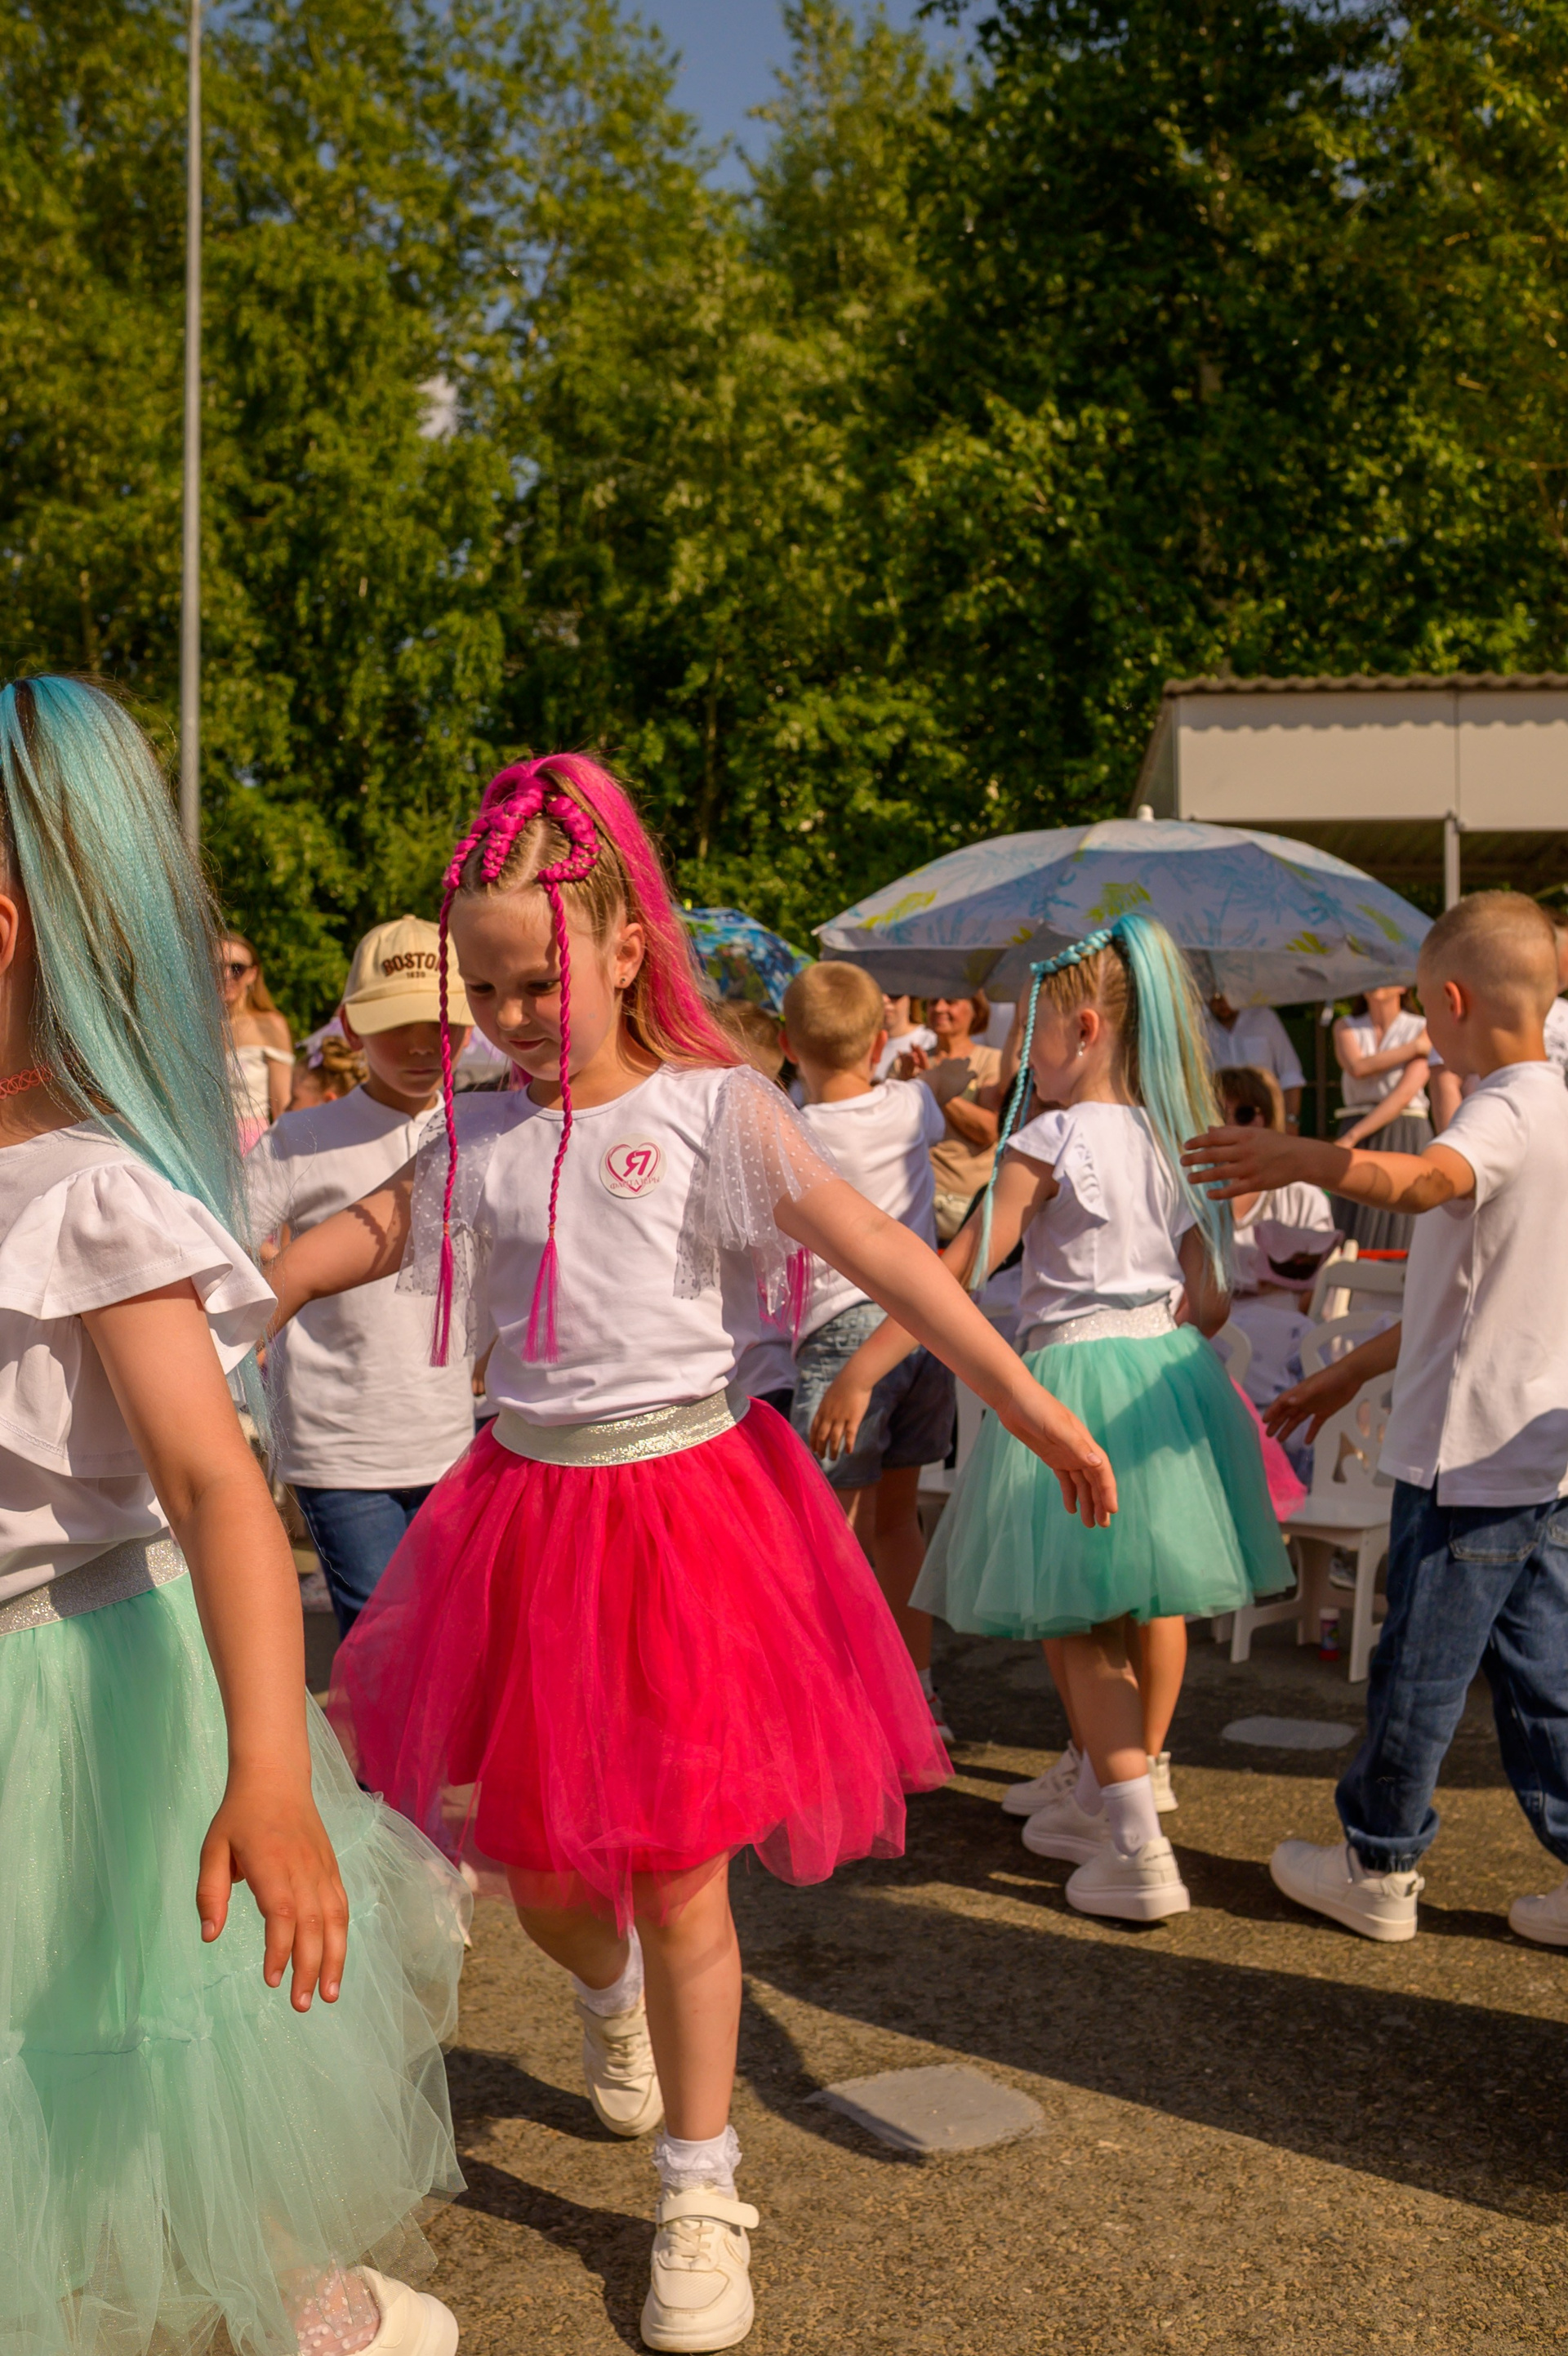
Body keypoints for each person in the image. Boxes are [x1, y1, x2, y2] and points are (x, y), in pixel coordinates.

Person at [264, 755, 1115, 2355]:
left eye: (539, 981)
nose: (512, 1015)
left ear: (624, 946)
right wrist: (254, 1285)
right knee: (540, 1876)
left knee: (679, 1876)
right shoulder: (475, 1130)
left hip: (689, 1515)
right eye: (485, 990)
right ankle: (608, 2005)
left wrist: (1025, 1399)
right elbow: (369, 1230)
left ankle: (701, 2188)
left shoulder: (713, 1108)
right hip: (525, 1518)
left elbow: (884, 1252)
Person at [0, 678, 467, 2356]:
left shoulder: (87, 1195)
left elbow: (216, 1488)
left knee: (139, 2019)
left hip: (77, 1693)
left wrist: (270, 1767)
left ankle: (283, 2286)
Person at [812, 915, 1291, 1923]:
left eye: (1032, 1036)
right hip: (1165, 1377)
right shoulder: (1176, 1135)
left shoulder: (1051, 1136)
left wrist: (862, 1367)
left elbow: (955, 1271)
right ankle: (1116, 1787)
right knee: (1146, 1602)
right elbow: (1209, 1301)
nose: (1023, 1057)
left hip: (1072, 1381)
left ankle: (1135, 1839)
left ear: (1084, 1029)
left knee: (1080, 1625)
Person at [1187, 890, 1568, 1948]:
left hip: (1466, 1460)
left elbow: (1421, 1178)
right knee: (1543, 1681)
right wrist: (1346, 1372)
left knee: (1421, 1673)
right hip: (1536, 1458)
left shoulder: (1500, 1109)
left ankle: (1379, 1862)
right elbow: (1470, 1299)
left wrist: (1309, 1157)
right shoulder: (1560, 1109)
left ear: (1450, 1001)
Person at [247, 916, 479, 1637]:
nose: (422, 1043)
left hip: (456, 1438)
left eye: (441, 1022)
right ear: (350, 1026)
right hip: (337, 1444)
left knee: (449, 1634)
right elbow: (222, 1242)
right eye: (397, 1022)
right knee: (383, 1637)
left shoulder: (487, 1129)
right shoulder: (300, 1137)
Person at [782, 960, 956, 1743]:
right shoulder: (910, 1105)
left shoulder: (793, 1130)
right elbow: (945, 1083)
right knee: (898, 1523)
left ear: (788, 1045)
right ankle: (917, 1695)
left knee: (829, 1539)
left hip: (843, 1337)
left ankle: (835, 1714)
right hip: (922, 1329)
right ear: (880, 1042)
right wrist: (932, 1073)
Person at [1213, 1064, 1339, 1413]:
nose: (1230, 1125)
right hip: (1212, 1333)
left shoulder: (1302, 1197)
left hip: (1282, 1335)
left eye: (1243, 1114)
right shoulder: (1188, 1197)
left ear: (1267, 1121)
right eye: (1217, 1114)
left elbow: (1318, 1292)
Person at [1330, 986, 1432, 1247]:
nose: (1379, 985)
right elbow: (1357, 1067)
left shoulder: (1422, 1026)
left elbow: (1404, 1095)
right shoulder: (1345, 1025)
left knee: (1400, 1225)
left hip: (1404, 1131)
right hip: (1356, 1126)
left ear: (1403, 986)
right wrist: (1414, 1048)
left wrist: (1352, 1136)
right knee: (1352, 1228)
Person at [909, 990, 1002, 1240]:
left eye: (950, 1001)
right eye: (933, 1001)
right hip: (914, 1201)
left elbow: (987, 1131)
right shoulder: (908, 1062)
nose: (939, 1008)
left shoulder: (992, 1061)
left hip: (964, 1209)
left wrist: (933, 1087)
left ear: (975, 1011)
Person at [220, 929, 293, 1147]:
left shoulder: (270, 1025)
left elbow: (283, 1107)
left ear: (252, 974)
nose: (226, 975)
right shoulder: (198, 1027)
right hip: (204, 1143)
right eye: (215, 966)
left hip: (254, 1145)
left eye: (236, 968)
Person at [1204, 993, 1304, 1129]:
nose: (1223, 1003)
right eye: (1216, 997)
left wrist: (1291, 1122)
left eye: (1227, 995)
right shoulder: (1197, 1023)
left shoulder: (1264, 1018)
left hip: (1265, 1120)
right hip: (1215, 1121)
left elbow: (1291, 1075)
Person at [873, 990, 936, 1080]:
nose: (884, 999)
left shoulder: (930, 1040)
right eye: (877, 992)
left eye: (894, 993)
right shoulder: (862, 1043)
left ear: (910, 997)